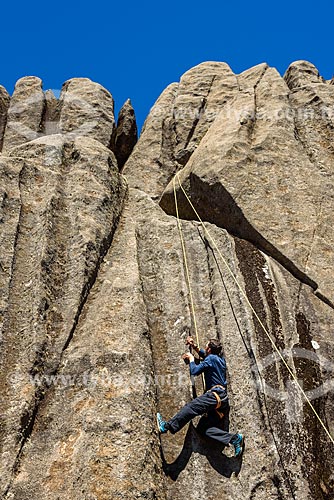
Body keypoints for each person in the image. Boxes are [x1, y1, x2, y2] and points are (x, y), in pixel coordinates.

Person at [156, 336, 244, 457]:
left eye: (206, 346)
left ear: (209, 349)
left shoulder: (211, 358)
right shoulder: (219, 360)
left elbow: (195, 371)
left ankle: (166, 426)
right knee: (204, 429)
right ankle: (234, 439)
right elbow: (206, 356)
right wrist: (195, 347)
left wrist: (192, 359)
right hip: (221, 402)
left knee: (191, 407)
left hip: (215, 395)